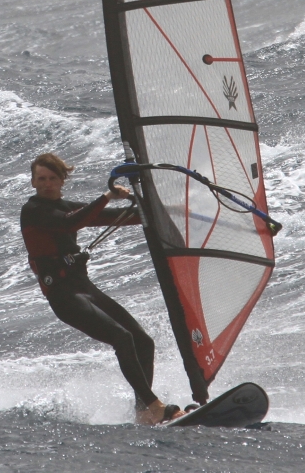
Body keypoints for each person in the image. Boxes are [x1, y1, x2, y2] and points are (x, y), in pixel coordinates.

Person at [19, 153, 184, 425]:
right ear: (34, 182)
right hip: (63, 295)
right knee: (121, 338)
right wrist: (107, 196)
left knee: (143, 341)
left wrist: (159, 209)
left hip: (84, 287)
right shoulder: (33, 210)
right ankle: (155, 406)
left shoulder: (65, 206)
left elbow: (108, 216)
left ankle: (143, 411)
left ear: (62, 180)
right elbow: (71, 223)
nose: (46, 184)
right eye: (41, 179)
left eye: (52, 178)